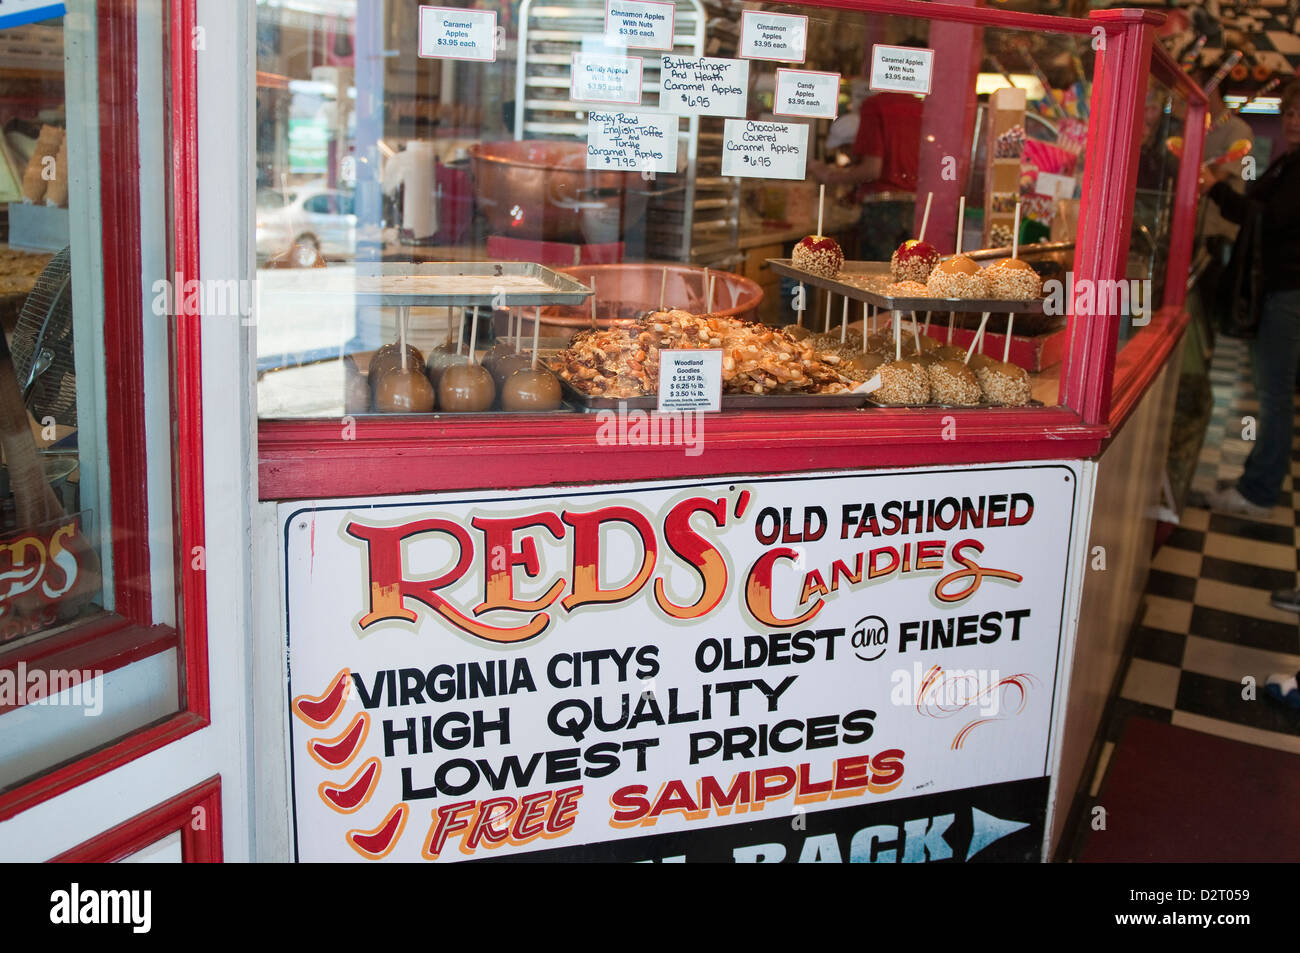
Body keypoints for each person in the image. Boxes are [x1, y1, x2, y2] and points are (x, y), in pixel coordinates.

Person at [808, 42, 926, 260]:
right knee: (909, 280)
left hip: (882, 209)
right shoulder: (922, 108)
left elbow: (872, 169)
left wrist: (829, 176)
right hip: (916, 209)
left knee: (876, 281)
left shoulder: (875, 106)